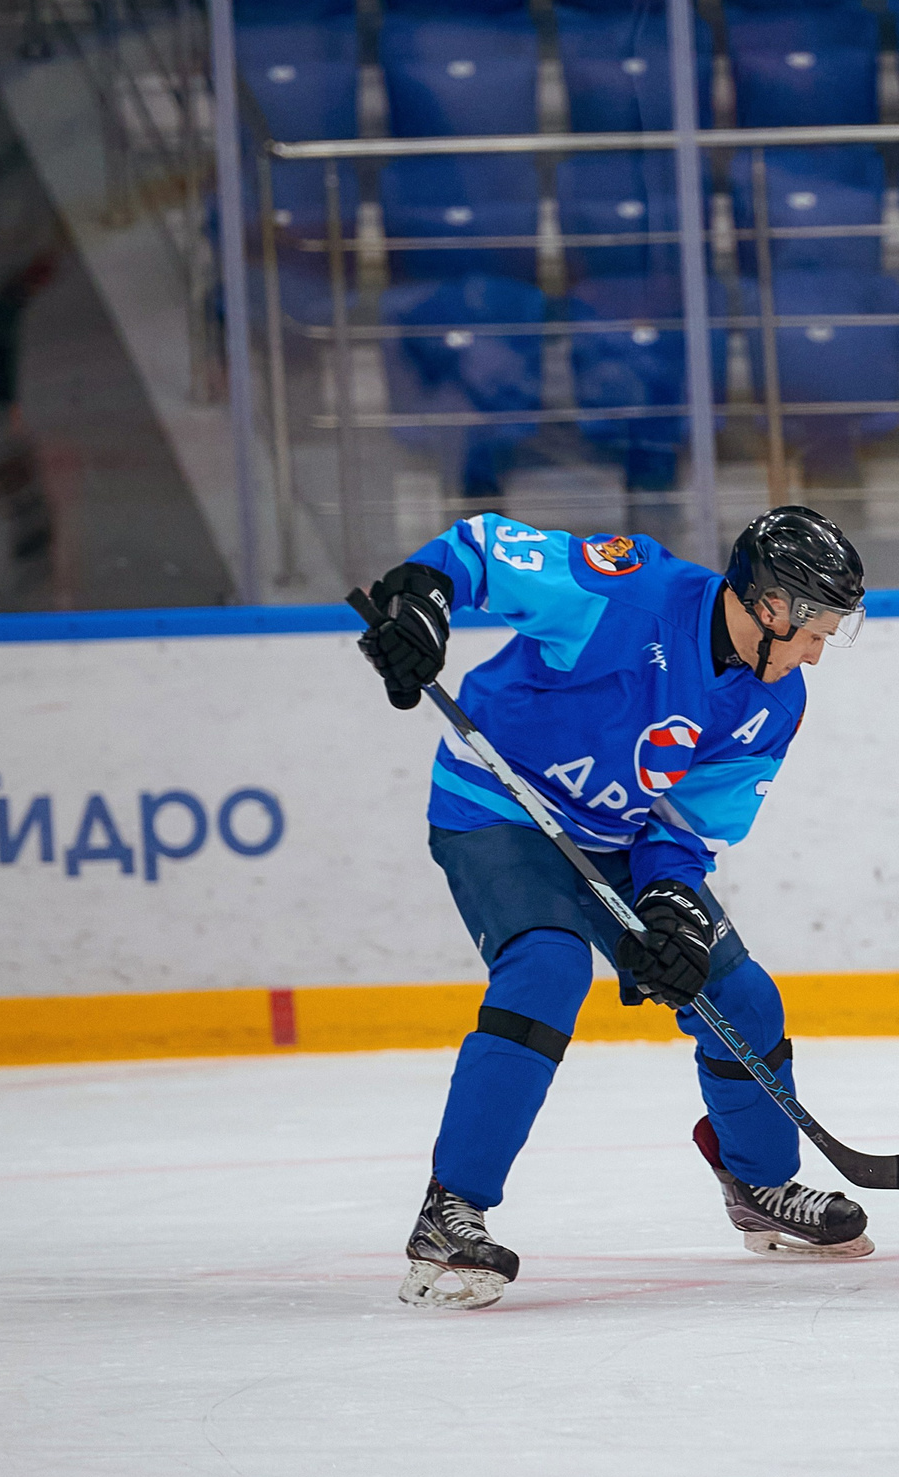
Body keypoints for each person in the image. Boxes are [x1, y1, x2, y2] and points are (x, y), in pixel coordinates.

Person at [353, 505, 870, 1309]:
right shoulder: (630, 593)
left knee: (739, 992)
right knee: (548, 966)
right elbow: (482, 549)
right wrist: (422, 598)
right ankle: (450, 1212)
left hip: (620, 838)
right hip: (500, 810)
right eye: (814, 628)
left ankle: (761, 1185)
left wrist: (669, 903)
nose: (819, 648)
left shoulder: (775, 702)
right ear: (770, 605)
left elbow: (689, 823)